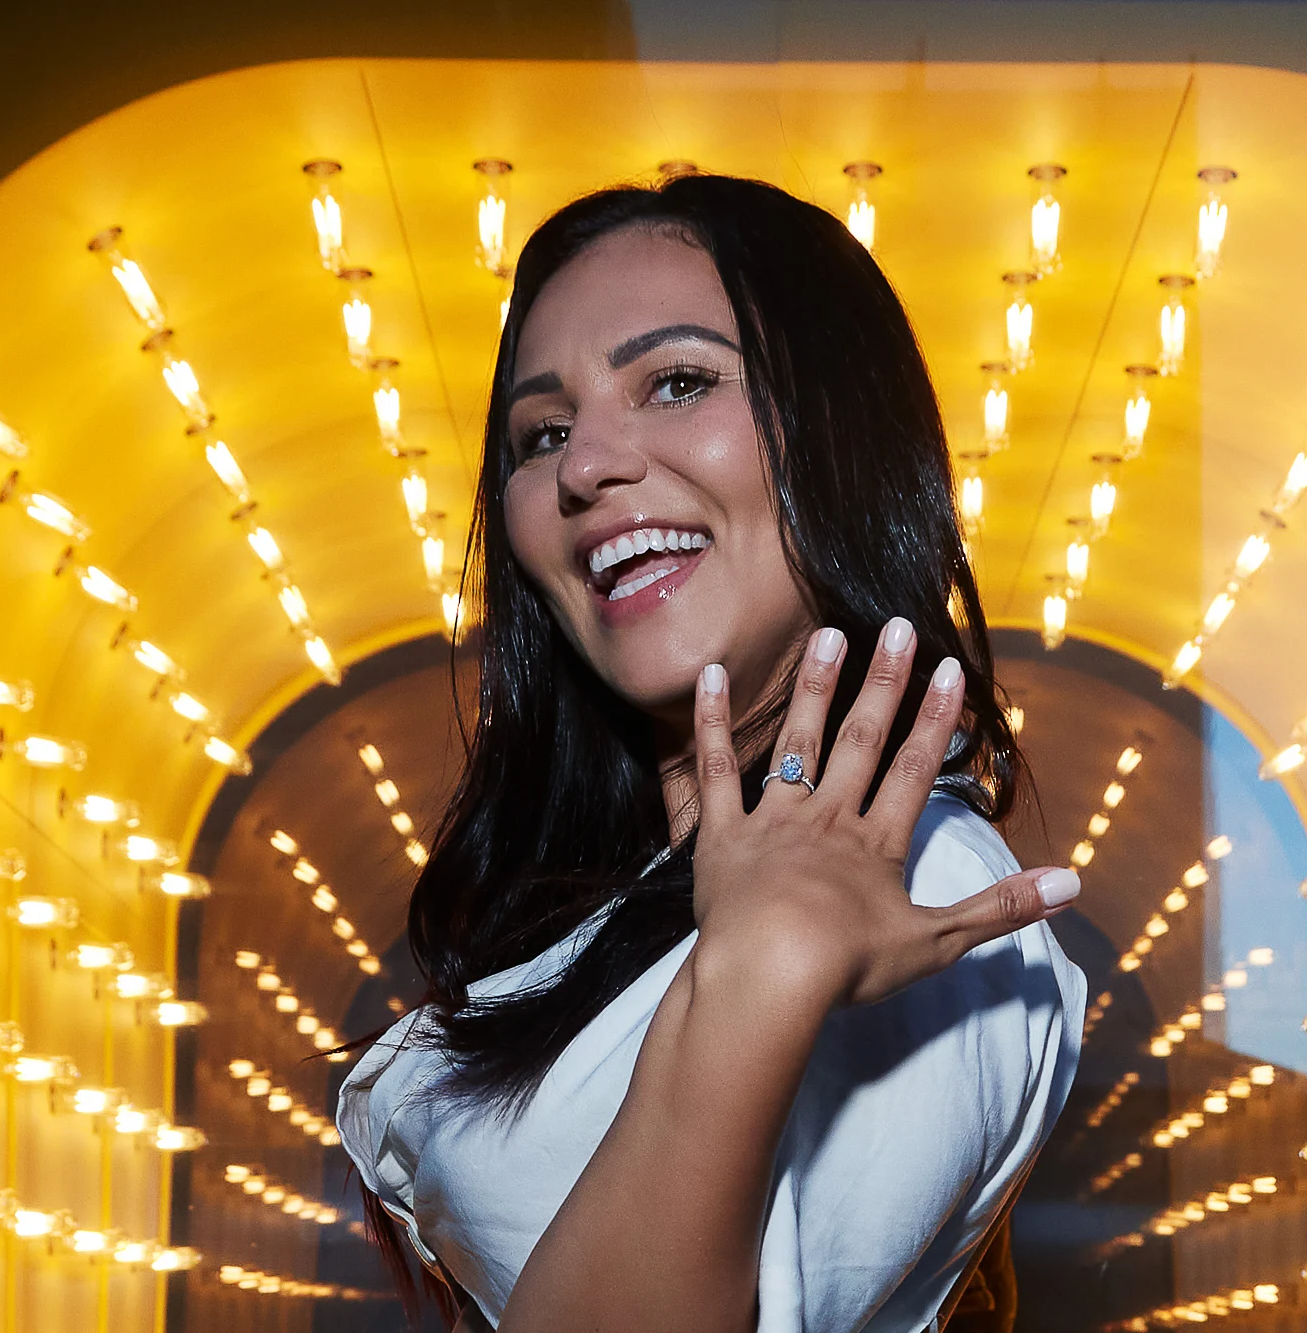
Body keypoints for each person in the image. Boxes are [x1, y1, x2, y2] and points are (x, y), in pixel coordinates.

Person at [336, 172, 1086, 1333]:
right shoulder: (608, 897)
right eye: (541, 433)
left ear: (839, 433)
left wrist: (760, 976)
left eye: (676, 380)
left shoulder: (923, 890)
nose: (583, 466)